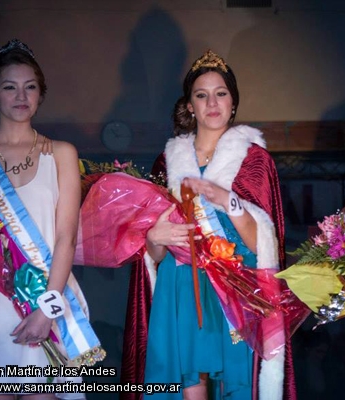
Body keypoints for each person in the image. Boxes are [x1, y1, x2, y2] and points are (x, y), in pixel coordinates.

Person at [120, 50, 296, 399]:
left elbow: (264, 243)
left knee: (238, 383)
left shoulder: (254, 160)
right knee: (189, 385)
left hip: (233, 284)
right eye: (201, 95)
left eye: (221, 93)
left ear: (233, 103)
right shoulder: (167, 161)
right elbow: (151, 254)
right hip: (179, 283)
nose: (212, 103)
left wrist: (227, 201)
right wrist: (154, 237)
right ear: (189, 106)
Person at [0, 39, 104, 400]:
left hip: (44, 296)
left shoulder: (62, 154)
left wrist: (47, 311)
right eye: (9, 87)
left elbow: (65, 238)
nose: (21, 96)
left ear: (40, 95)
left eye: (30, 87)